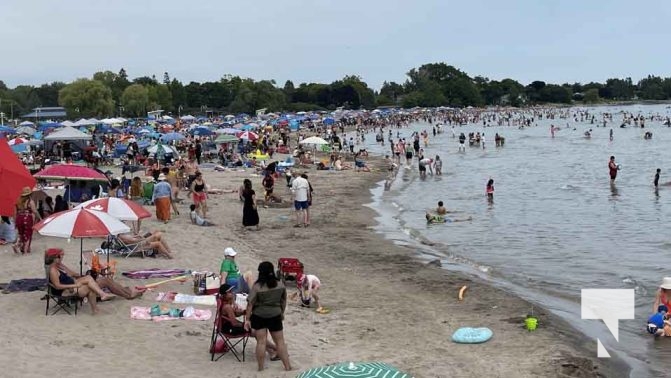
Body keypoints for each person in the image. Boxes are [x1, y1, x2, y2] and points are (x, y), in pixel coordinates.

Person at [244, 261, 292, 372]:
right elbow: (283, 301)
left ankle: (261, 368)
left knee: (261, 342)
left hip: (259, 316)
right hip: (275, 315)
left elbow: (250, 304)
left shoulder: (257, 286)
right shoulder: (280, 284)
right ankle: (288, 367)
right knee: (280, 342)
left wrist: (247, 319)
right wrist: (282, 313)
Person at [217, 283, 280, 359]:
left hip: (228, 326)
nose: (232, 293)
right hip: (229, 329)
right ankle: (277, 349)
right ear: (224, 295)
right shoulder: (227, 307)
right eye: (230, 292)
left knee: (258, 332)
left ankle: (272, 352)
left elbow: (235, 315)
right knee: (257, 332)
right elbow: (234, 322)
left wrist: (243, 312)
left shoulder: (227, 304)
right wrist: (245, 324)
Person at [46, 248, 116, 314]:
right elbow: (57, 286)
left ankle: (101, 297)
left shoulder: (57, 266)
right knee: (91, 288)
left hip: (71, 285)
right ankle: (96, 307)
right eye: (59, 256)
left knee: (88, 277)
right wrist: (75, 285)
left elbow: (69, 274)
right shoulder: (53, 270)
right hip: (64, 291)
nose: (61, 257)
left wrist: (75, 277)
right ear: (54, 258)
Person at [15, 187, 40, 254]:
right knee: (28, 234)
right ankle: (26, 250)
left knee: (21, 234)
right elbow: (34, 211)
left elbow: (15, 213)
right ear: (30, 194)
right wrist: (39, 218)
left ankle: (16, 244)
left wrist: (15, 221)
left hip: (19, 218)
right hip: (27, 218)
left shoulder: (18, 201)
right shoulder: (30, 201)